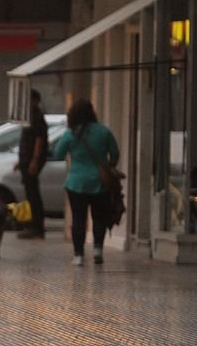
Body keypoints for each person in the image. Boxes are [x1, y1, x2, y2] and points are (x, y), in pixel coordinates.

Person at [52, 98, 120, 266]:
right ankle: (98, 250)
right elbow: (115, 153)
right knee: (99, 217)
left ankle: (79, 255)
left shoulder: (70, 134)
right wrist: (107, 167)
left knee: (78, 219)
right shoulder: (103, 131)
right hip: (100, 182)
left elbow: (58, 154)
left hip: (76, 183)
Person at [15, 89, 48, 239]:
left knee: (33, 193)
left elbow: (39, 139)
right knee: (30, 192)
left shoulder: (37, 116)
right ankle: (33, 224)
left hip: (31, 161)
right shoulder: (28, 117)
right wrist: (20, 161)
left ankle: (37, 226)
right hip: (26, 160)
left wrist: (34, 160)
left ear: (34, 100)